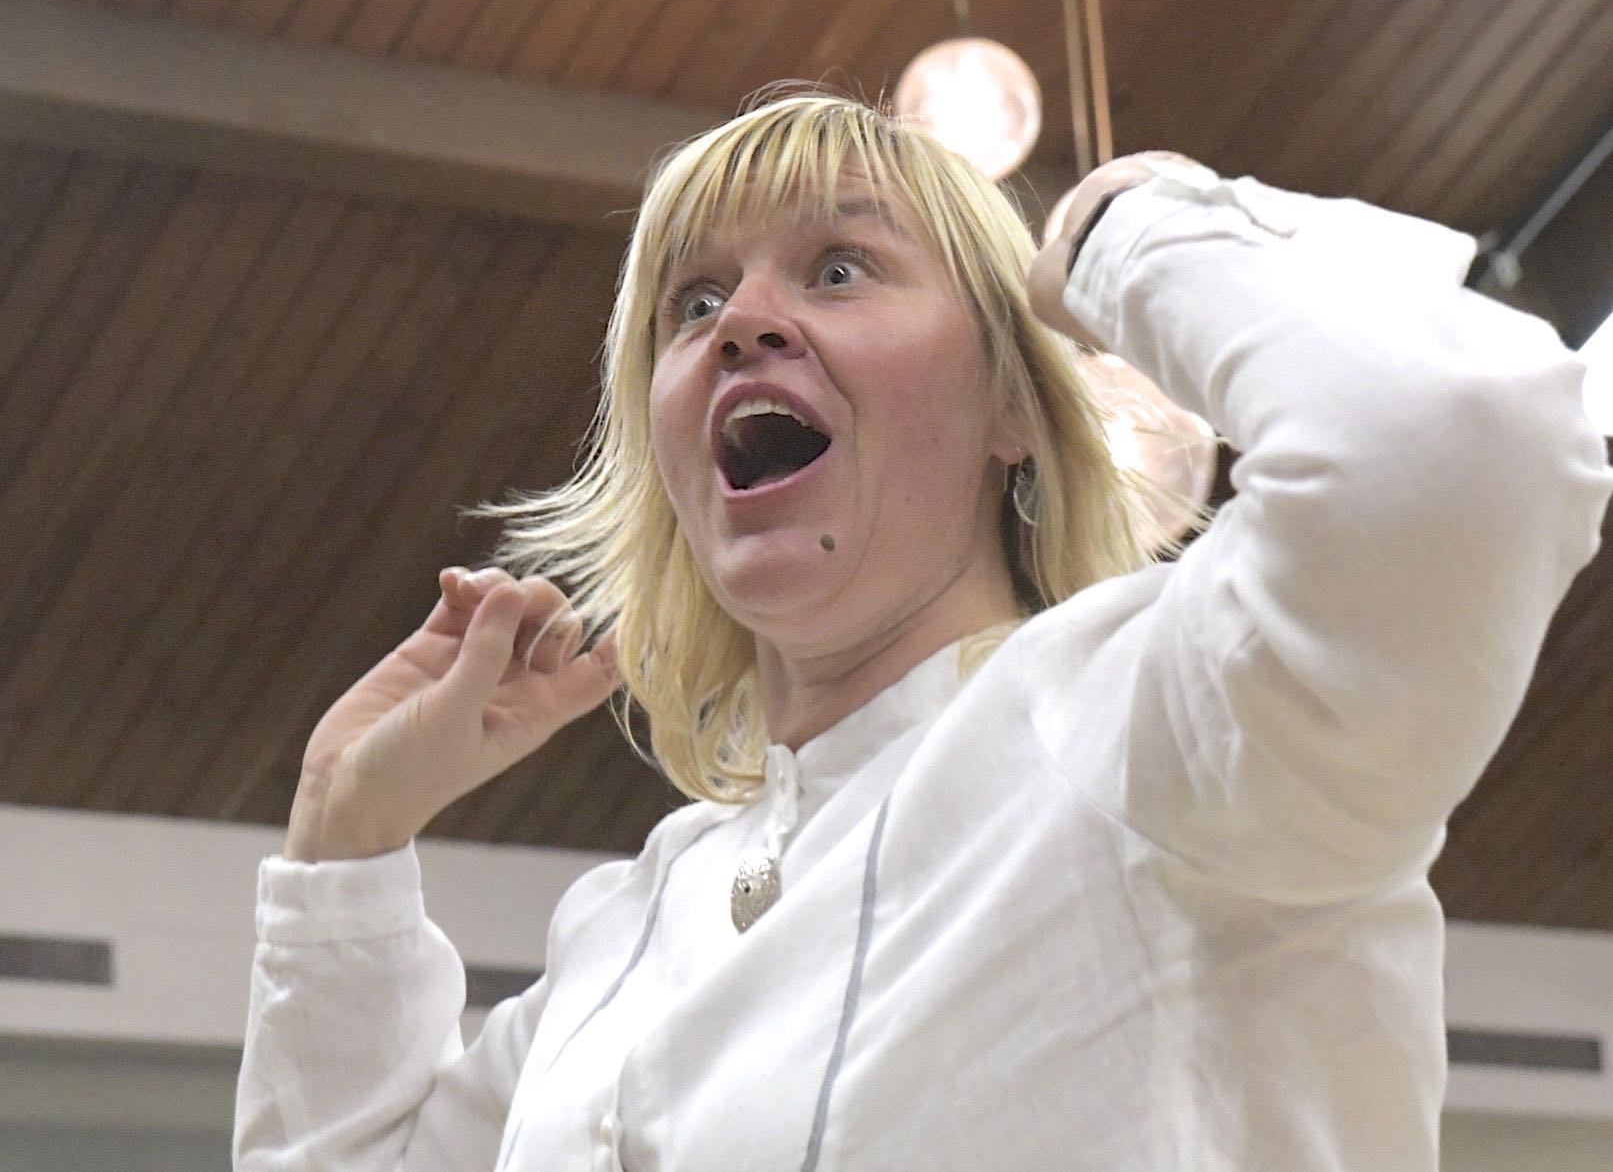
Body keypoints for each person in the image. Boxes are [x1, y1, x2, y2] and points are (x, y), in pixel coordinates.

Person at [233, 93, 1612, 1170]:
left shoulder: (1154, 722)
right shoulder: (628, 923)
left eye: (839, 269)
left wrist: (1129, 229)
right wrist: (345, 833)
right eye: (694, 303)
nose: (743, 323)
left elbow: (1457, 441)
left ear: (1014, 405)